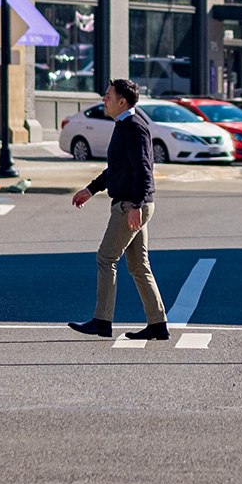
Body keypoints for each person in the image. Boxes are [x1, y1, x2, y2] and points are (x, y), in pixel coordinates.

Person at [69, 79, 169, 341]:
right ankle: (158, 324)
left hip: (130, 205)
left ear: (122, 101)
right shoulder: (124, 126)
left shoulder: (134, 128)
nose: (104, 99)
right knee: (138, 266)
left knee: (106, 258)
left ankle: (102, 321)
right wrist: (90, 190)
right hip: (134, 204)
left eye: (108, 96)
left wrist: (137, 205)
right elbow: (117, 169)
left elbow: (144, 170)